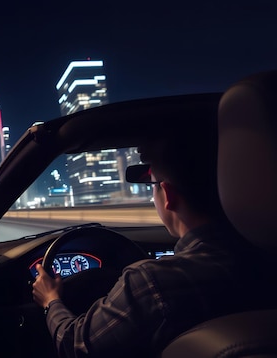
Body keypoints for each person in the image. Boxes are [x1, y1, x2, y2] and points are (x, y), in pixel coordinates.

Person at [32, 132, 274, 357]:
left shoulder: (148, 282)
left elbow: (75, 345)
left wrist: (51, 300)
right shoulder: (266, 257)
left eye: (153, 185)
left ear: (168, 195)